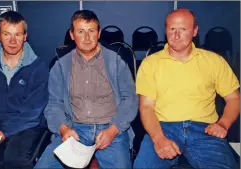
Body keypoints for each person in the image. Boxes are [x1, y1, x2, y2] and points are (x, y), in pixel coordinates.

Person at [134, 9, 240, 169]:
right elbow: (146, 107)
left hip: (204, 129)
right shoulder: (151, 64)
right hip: (163, 127)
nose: (176, 35)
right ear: (166, 30)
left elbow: (234, 98)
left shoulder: (214, 61)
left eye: (183, 29)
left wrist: (223, 124)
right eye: (172, 29)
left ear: (195, 31)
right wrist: (158, 139)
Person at [34, 10, 138, 168]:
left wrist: (114, 129)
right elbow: (54, 104)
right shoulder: (61, 66)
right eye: (81, 32)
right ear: (72, 34)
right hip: (74, 129)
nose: (87, 38)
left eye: (91, 31)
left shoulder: (116, 62)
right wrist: (63, 129)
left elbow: (130, 99)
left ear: (99, 33)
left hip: (110, 128)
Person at [0, 11, 49, 169]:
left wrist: (4, 132)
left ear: (25, 36)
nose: (13, 40)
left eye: (18, 34)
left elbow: (33, 111)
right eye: (7, 34)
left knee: (15, 160)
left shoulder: (38, 68)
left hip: (24, 124)